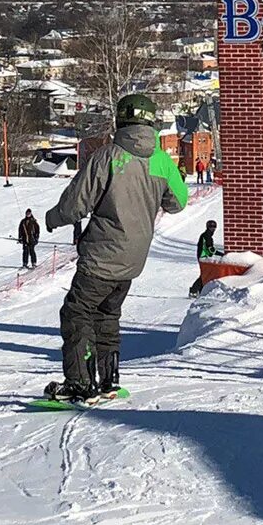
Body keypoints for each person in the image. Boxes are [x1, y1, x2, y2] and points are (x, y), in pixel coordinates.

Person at [45, 93, 187, 401]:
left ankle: (81, 385)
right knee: (107, 315)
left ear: (120, 121)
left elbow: (75, 206)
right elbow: (178, 202)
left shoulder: (108, 156)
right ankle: (108, 381)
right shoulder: (161, 161)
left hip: (102, 255)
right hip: (134, 259)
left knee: (76, 313)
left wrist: (52, 218)